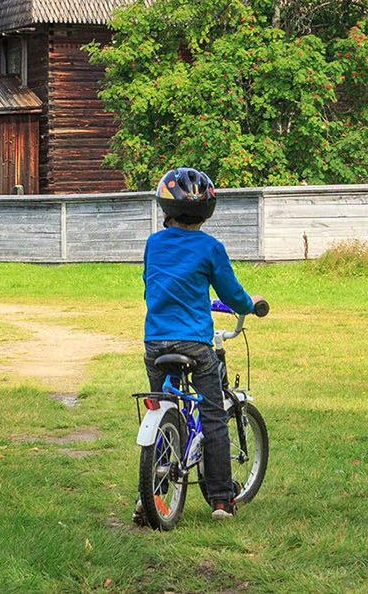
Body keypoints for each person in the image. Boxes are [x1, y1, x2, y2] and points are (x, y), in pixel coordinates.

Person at [139, 167, 264, 522]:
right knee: (212, 415)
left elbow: (151, 283)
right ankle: (222, 499)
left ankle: (150, 496)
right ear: (206, 210)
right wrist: (249, 304)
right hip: (195, 345)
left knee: (164, 406)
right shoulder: (210, 247)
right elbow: (231, 293)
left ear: (165, 208)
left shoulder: (153, 243)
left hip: (156, 343)